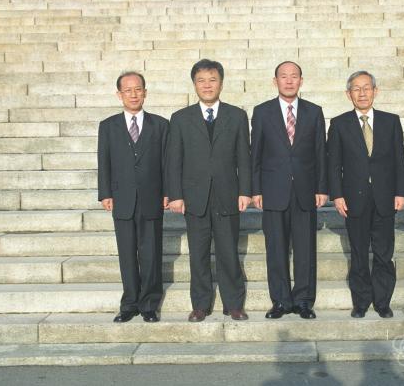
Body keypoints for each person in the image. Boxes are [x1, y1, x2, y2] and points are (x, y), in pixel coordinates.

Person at [168, 59, 251, 323]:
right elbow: (174, 160)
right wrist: (176, 194)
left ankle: (234, 304)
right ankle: (201, 305)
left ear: (221, 83)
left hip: (228, 194)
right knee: (199, 254)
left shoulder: (237, 116)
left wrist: (245, 191)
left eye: (212, 80)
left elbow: (244, 158)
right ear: (194, 84)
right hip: (195, 198)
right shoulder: (180, 119)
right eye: (202, 80)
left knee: (228, 251)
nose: (207, 85)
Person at [327, 71, 404, 319]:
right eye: (356, 89)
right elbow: (334, 164)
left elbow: (398, 159)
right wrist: (337, 196)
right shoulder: (339, 124)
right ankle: (361, 301)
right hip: (354, 199)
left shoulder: (390, 121)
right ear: (348, 93)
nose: (362, 93)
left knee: (384, 253)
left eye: (366, 88)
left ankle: (382, 301)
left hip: (385, 197)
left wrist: (401, 192)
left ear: (375, 91)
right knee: (359, 252)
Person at [251, 61, 328, 320]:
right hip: (273, 190)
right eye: (283, 76)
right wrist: (255, 189)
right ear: (275, 81)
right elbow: (256, 154)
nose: (289, 80)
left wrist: (322, 187)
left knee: (305, 249)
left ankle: (304, 300)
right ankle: (281, 301)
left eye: (294, 76)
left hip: (306, 190)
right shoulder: (262, 112)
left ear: (301, 81)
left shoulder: (314, 112)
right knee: (276, 248)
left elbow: (320, 152)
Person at [98, 71, 170, 323]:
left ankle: (149, 303)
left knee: (151, 252)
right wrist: (105, 193)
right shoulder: (107, 126)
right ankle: (129, 303)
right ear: (119, 95)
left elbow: (166, 162)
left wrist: (167, 192)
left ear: (145, 92)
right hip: (122, 198)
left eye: (138, 89)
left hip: (152, 198)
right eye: (127, 90)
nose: (133, 94)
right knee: (127, 253)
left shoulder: (160, 125)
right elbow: (103, 161)